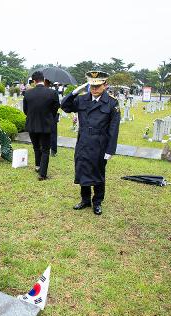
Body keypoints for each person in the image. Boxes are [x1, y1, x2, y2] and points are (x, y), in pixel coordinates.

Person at [61, 71, 120, 215]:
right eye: (92, 86)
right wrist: (75, 92)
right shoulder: (82, 99)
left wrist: (110, 150)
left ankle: (97, 202)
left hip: (100, 144)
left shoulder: (112, 103)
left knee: (98, 174)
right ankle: (85, 200)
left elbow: (114, 128)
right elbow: (65, 106)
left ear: (105, 85)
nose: (94, 89)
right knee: (82, 171)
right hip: (83, 142)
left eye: (98, 86)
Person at [23, 71, 60, 180]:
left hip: (32, 124)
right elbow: (55, 108)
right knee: (45, 149)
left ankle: (38, 166)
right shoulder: (52, 93)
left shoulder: (28, 93)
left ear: (34, 81)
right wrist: (48, 117)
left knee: (36, 147)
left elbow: (25, 110)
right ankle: (42, 174)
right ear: (43, 80)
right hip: (46, 124)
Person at [44, 79, 60, 157]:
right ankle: (53, 150)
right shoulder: (54, 93)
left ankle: (44, 148)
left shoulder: (41, 92)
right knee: (53, 133)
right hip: (52, 115)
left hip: (43, 116)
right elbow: (57, 105)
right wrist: (52, 113)